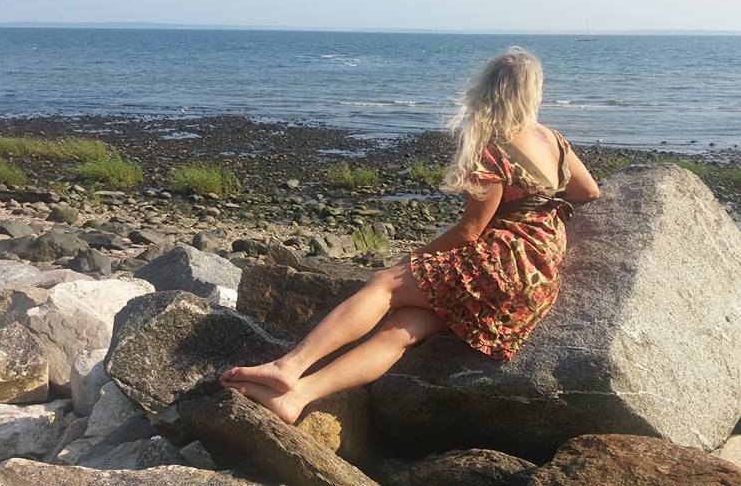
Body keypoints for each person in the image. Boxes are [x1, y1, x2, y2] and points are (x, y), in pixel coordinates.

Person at [219, 47, 601, 424]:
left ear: (488, 92)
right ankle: (298, 396)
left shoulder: (495, 151)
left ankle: (289, 366)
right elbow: (589, 191)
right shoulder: (555, 140)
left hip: (502, 268)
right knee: (402, 328)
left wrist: (411, 261)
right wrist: (541, 207)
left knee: (385, 283)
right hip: (536, 282)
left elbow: (469, 232)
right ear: (534, 92)